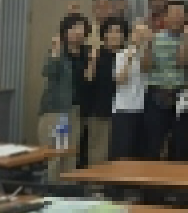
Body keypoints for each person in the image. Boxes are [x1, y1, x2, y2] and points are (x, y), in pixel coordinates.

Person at [38, 14, 89, 180]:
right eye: (72, 28)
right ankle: (53, 190)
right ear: (65, 32)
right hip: (58, 111)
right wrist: (55, 52)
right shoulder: (58, 51)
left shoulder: (86, 53)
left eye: (80, 28)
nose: (77, 32)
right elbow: (48, 72)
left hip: (75, 111)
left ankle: (68, 190)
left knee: (71, 155)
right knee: (57, 155)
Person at [141, 0, 188, 161]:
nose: (177, 17)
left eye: (180, 14)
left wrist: (185, 40)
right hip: (157, 95)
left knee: (180, 145)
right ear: (165, 17)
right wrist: (148, 44)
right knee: (153, 144)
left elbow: (182, 63)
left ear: (185, 18)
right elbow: (145, 67)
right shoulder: (154, 38)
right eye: (173, 13)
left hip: (181, 96)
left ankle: (177, 176)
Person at [81, 16, 128, 167]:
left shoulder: (127, 55)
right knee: (98, 153)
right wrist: (92, 61)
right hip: (99, 111)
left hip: (124, 113)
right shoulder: (95, 54)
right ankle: (96, 182)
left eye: (119, 31)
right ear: (104, 34)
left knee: (120, 155)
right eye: (111, 31)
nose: (115, 35)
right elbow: (87, 80)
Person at [110, 22, 146, 161]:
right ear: (131, 36)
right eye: (138, 33)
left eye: (143, 34)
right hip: (123, 110)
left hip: (142, 110)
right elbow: (119, 80)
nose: (140, 37)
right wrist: (128, 60)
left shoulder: (147, 57)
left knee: (137, 155)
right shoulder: (121, 54)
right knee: (122, 154)